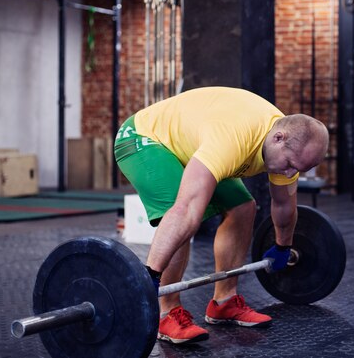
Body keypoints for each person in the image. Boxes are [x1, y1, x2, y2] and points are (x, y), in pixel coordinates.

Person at [114, 86, 329, 344]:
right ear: (278, 138)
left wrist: (284, 246)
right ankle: (166, 312)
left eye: (298, 169)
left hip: (188, 145)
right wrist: (149, 276)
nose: (289, 173)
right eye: (291, 165)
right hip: (144, 138)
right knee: (182, 212)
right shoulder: (234, 139)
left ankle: (224, 301)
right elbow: (185, 211)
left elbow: (283, 205)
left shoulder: (288, 148)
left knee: (243, 207)